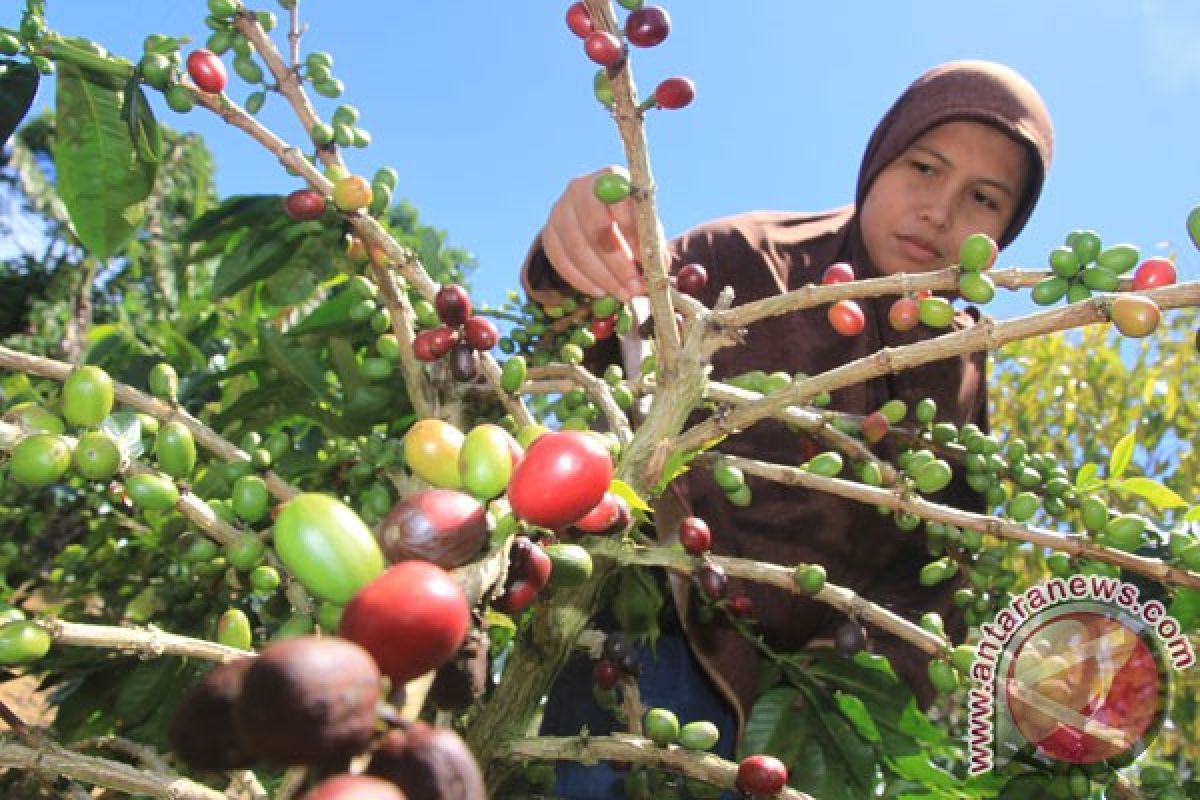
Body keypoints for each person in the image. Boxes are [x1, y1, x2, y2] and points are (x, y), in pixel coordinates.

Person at [521, 60, 1054, 796]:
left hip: (809, 698)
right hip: (657, 633)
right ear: (879, 160)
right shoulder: (746, 254)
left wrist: (874, 686)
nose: (941, 210)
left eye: (984, 198)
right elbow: (603, 321)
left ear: (1007, 229)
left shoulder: (960, 365)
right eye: (924, 167)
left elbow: (943, 553)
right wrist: (580, 242)